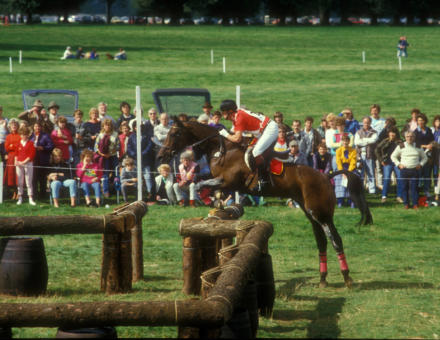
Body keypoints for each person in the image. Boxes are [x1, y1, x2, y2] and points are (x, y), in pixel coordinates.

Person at [219, 99, 279, 194]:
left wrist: (224, 134)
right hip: (261, 131)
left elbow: (237, 139)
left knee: (255, 153)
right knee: (248, 153)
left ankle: (264, 181)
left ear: (230, 111)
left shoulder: (239, 117)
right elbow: (234, 135)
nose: (222, 114)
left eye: (224, 112)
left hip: (269, 129)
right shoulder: (236, 116)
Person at [391, 131, 427, 209]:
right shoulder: (401, 146)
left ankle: (415, 204)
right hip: (404, 170)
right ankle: (406, 204)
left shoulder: (418, 146)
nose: (409, 138)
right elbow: (393, 156)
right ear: (405, 137)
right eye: (407, 136)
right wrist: (398, 164)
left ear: (414, 137)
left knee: (414, 188)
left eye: (411, 136)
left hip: (415, 170)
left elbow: (425, 158)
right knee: (404, 188)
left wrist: (420, 164)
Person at [127, 119, 155, 200]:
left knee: (148, 176)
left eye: (140, 126)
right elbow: (129, 148)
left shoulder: (147, 136)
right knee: (137, 177)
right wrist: (135, 155)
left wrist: (142, 154)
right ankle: (138, 194)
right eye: (136, 127)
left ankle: (150, 194)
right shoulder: (131, 137)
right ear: (134, 128)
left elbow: (149, 146)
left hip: (145, 160)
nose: (138, 128)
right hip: (135, 160)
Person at [375, 127, 403, 203]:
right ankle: (384, 196)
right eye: (391, 132)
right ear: (388, 133)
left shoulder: (400, 142)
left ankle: (399, 196)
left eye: (394, 132)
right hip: (387, 162)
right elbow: (377, 150)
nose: (392, 134)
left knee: (400, 178)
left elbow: (404, 151)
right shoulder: (385, 141)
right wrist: (381, 160)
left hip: (397, 163)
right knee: (387, 178)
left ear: (396, 134)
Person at [94, 118, 120, 198]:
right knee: (105, 174)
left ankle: (117, 191)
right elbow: (95, 146)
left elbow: (118, 146)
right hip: (103, 158)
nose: (107, 127)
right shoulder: (100, 135)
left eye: (109, 125)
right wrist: (101, 153)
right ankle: (105, 191)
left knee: (116, 174)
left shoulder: (115, 134)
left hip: (112, 156)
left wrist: (111, 153)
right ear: (103, 126)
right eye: (106, 125)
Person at [30, 122, 54, 200]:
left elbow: (51, 145)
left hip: (43, 159)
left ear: (41, 127)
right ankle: (34, 195)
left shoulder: (45, 135)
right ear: (33, 127)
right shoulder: (31, 135)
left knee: (42, 179)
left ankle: (42, 195)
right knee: (34, 178)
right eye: (36, 126)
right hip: (33, 160)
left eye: (39, 126)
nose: (37, 128)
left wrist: (43, 148)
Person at [355, 116, 378, 194]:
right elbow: (356, 142)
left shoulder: (374, 132)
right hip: (359, 156)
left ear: (370, 123)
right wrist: (368, 141)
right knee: (360, 173)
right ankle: (360, 189)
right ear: (362, 123)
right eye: (365, 122)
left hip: (369, 155)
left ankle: (372, 190)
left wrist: (363, 140)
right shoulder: (358, 132)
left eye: (368, 122)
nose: (366, 124)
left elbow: (374, 140)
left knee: (370, 173)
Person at [414, 112, 434, 198]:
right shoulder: (415, 131)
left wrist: (431, 145)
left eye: (422, 120)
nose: (420, 122)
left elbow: (432, 140)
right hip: (419, 154)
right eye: (419, 120)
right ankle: (417, 191)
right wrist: (425, 146)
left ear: (425, 121)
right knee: (419, 173)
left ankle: (426, 190)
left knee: (427, 173)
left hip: (428, 154)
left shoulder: (428, 130)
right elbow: (416, 143)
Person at [15, 126, 36, 206]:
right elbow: (16, 154)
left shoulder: (31, 143)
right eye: (22, 134)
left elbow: (31, 155)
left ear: (28, 135)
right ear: (20, 135)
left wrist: (23, 162)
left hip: (28, 164)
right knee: (20, 182)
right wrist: (16, 162)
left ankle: (30, 198)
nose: (24, 136)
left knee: (29, 181)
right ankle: (20, 197)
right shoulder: (18, 143)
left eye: (25, 134)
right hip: (19, 164)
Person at [335, 135, 357, 207]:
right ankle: (340, 200)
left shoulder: (353, 150)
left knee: (352, 180)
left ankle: (351, 200)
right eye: (343, 141)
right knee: (338, 179)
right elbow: (338, 162)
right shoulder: (338, 150)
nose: (345, 142)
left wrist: (348, 172)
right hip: (341, 169)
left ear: (349, 142)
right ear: (341, 142)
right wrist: (342, 172)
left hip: (350, 169)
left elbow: (353, 162)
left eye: (346, 141)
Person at [4, 119, 20, 200]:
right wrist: (13, 146)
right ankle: (14, 192)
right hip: (10, 157)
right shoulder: (8, 136)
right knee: (12, 175)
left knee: (18, 175)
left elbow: (19, 146)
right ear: (10, 126)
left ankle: (19, 193)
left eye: (15, 125)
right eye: (12, 125)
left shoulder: (20, 135)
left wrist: (12, 146)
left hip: (18, 157)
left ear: (17, 126)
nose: (14, 126)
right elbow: (7, 147)